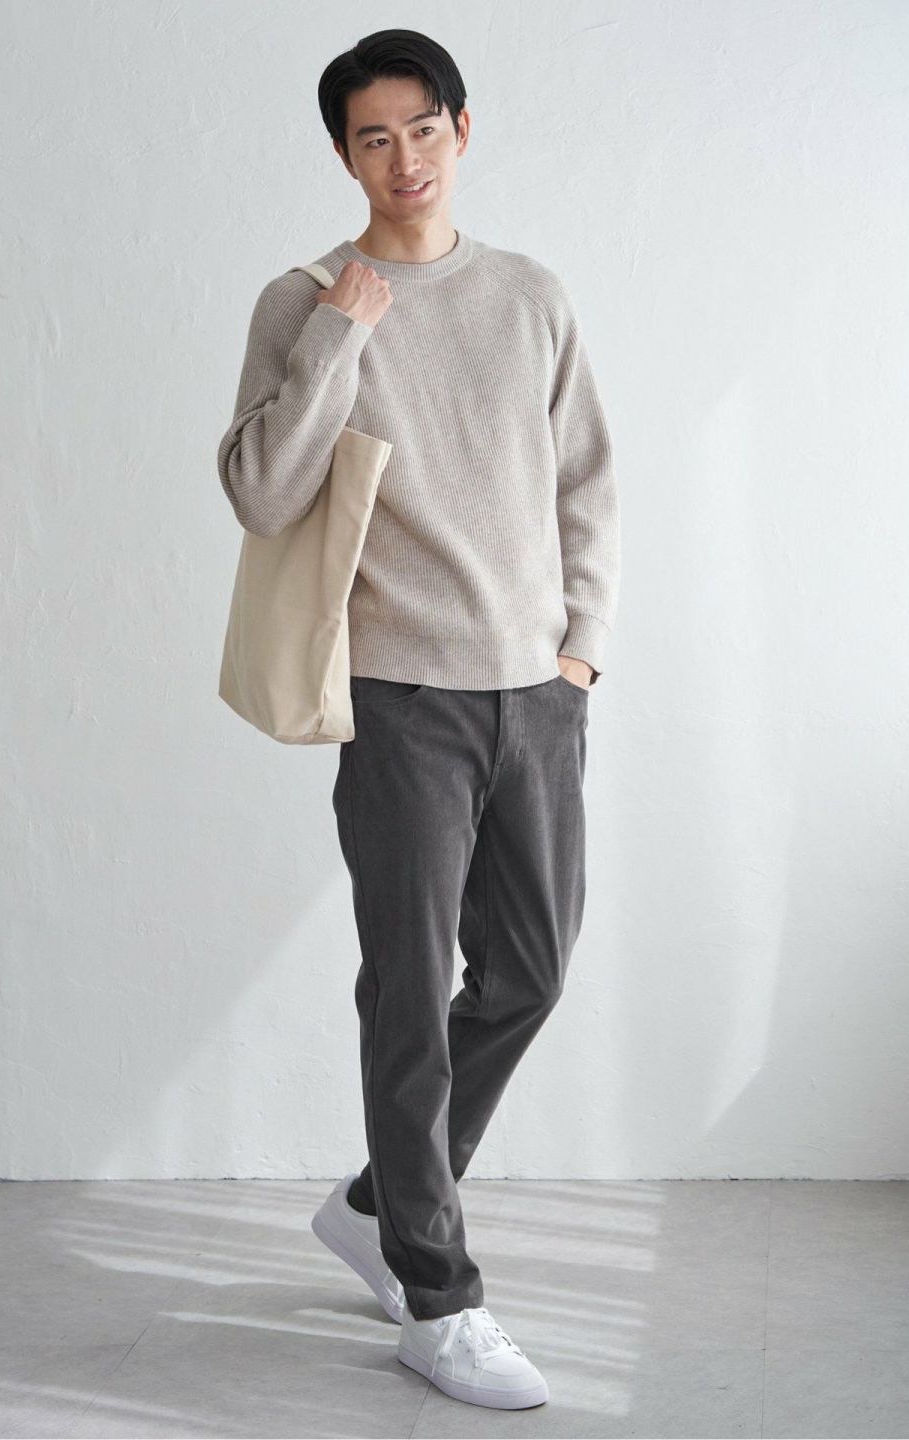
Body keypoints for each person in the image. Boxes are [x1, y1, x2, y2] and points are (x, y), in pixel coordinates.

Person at [216, 27, 620, 1412]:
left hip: (538, 694)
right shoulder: (303, 300)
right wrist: (344, 329)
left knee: (531, 973)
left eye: (423, 129)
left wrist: (580, 654)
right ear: (345, 155)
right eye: (373, 138)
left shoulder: (529, 294)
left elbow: (586, 482)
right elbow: (262, 490)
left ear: (462, 129)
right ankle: (437, 1300)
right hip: (399, 703)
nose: (404, 159)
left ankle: (380, 1201)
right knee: (408, 993)